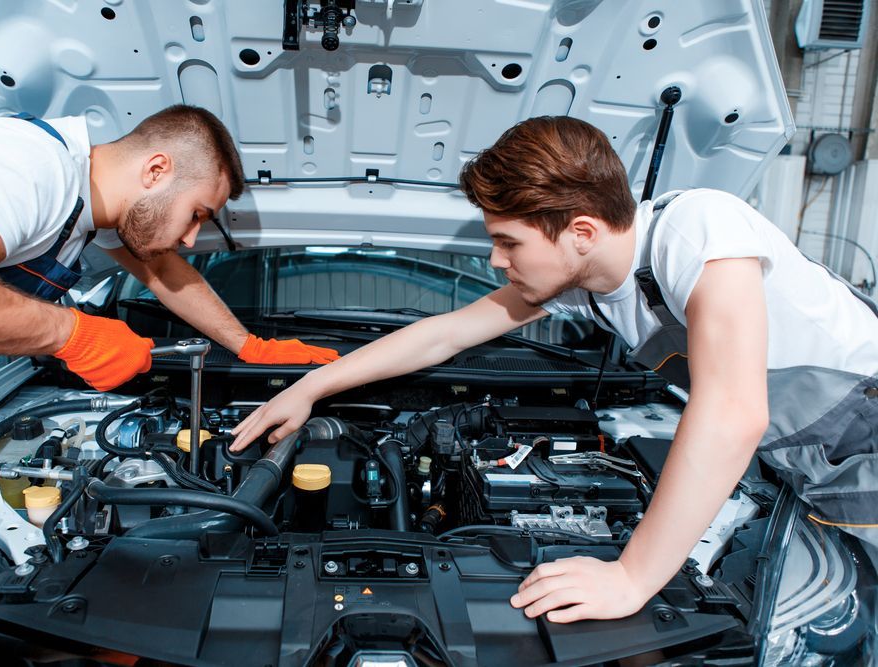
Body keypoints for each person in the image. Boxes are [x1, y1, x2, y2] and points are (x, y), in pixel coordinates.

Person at [228, 116, 878, 624]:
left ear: (583, 232)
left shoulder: (698, 232)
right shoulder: (589, 284)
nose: (494, 258)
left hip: (865, 436)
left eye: (508, 242)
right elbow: (444, 334)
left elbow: (732, 412)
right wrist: (310, 385)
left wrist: (631, 575)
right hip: (808, 455)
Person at [0, 104, 338, 451]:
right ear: (156, 170)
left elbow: (159, 268)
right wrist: (70, 334)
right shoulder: (28, 164)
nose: (193, 239)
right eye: (196, 214)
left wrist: (246, 345)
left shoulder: (85, 210)